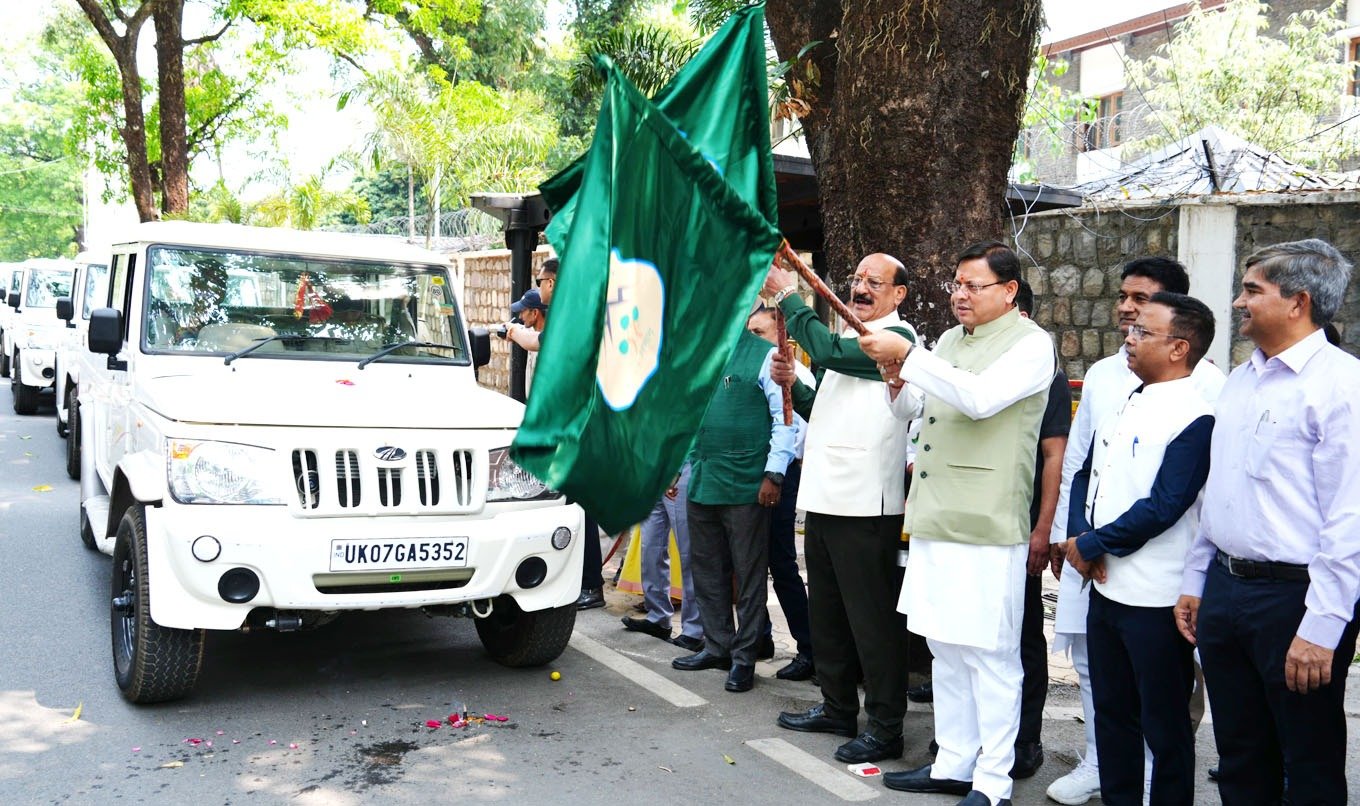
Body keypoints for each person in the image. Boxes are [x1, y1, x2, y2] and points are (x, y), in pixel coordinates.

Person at [860, 241, 1054, 806]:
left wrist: (909, 354)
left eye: (974, 285)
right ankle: (952, 762)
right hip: (935, 512)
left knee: (990, 655)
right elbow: (915, 410)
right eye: (957, 284)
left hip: (988, 520)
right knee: (943, 648)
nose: (960, 295)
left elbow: (980, 399)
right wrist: (897, 378)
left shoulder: (1031, 344)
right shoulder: (948, 341)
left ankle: (992, 781)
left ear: (1009, 291)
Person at [1175, 239, 1360, 805]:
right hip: (1227, 591)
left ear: (1298, 302)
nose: (1238, 302)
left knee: (1308, 761)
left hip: (1296, 599)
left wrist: (1323, 628)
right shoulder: (1241, 379)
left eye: (1252, 290)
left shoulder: (1343, 386)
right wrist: (1197, 580)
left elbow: (1351, 519)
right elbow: (1218, 491)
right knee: (1240, 755)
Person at [1045, 257, 1224, 806]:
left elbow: (1165, 505)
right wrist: (1081, 538)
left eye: (1145, 331)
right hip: (1104, 586)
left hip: (1156, 597)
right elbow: (1087, 472)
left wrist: (1092, 544)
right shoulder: (1128, 393)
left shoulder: (1197, 412)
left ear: (1179, 348)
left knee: (1164, 726)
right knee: (1112, 715)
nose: (1130, 335)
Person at [763, 253, 918, 764]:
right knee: (827, 614)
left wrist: (787, 295)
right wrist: (795, 383)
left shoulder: (897, 339)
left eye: (874, 282)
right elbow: (823, 412)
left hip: (866, 504)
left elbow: (827, 350)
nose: (860, 288)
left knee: (872, 622)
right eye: (856, 279)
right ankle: (836, 707)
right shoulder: (850, 337)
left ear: (898, 294)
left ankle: (886, 726)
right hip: (826, 497)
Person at [671, 314, 799, 693]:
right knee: (707, 570)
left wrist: (774, 474)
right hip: (703, 481)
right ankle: (717, 646)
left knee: (748, 574)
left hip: (747, 485)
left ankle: (744, 658)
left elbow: (784, 419)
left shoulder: (765, 355)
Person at [1013, 279, 1071, 780]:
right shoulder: (962, 356)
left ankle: (1024, 739)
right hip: (970, 523)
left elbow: (1055, 454)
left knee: (1023, 631)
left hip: (1022, 518)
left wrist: (1043, 528)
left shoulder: (1044, 368)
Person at [746, 306, 817, 681]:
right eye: (750, 333)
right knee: (749, 561)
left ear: (780, 334)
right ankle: (759, 637)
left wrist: (775, 475)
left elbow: (793, 433)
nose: (752, 340)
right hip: (751, 473)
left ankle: (808, 648)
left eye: (759, 332)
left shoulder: (795, 375)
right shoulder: (755, 366)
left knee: (781, 562)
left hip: (780, 475)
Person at [621, 463, 704, 650]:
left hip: (682, 466)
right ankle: (657, 618)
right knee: (650, 548)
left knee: (688, 553)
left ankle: (694, 631)